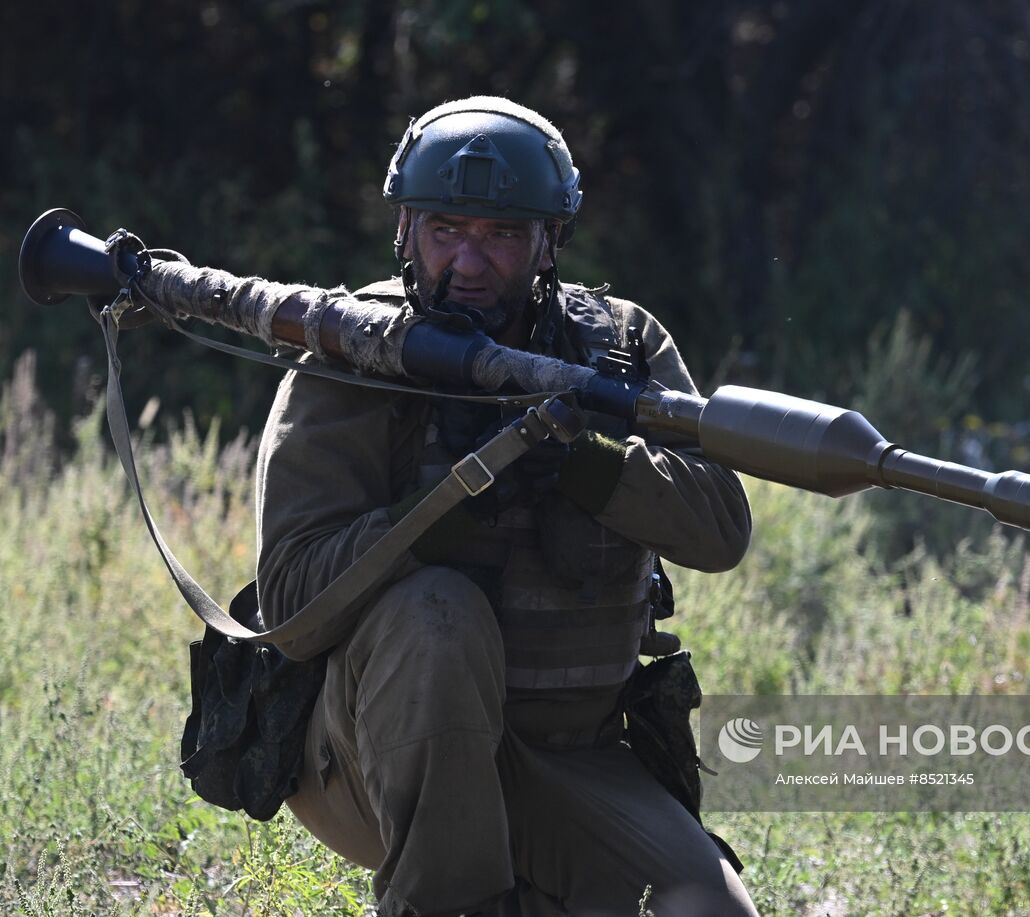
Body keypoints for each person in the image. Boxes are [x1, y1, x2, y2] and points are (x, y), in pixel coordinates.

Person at [253, 97, 758, 917]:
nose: (470, 263)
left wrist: (583, 462)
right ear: (407, 230)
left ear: (548, 242)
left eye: (501, 234)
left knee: (708, 911)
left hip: (574, 754)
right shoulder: (356, 351)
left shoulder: (618, 348)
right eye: (447, 230)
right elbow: (292, 608)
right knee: (436, 612)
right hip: (368, 756)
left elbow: (720, 526)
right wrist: (438, 513)